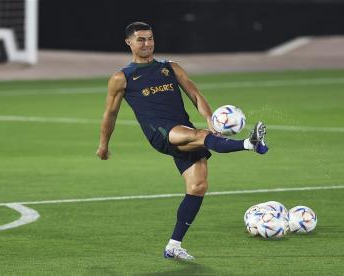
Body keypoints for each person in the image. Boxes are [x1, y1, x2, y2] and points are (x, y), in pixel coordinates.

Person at [96, 22, 268, 261]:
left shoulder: (170, 67)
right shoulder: (122, 78)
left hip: (183, 129)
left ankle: (173, 246)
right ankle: (250, 144)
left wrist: (211, 120)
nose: (147, 44)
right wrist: (104, 144)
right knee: (199, 137)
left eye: (150, 38)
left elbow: (195, 94)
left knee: (198, 186)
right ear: (129, 42)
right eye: (141, 40)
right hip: (161, 133)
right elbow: (110, 114)